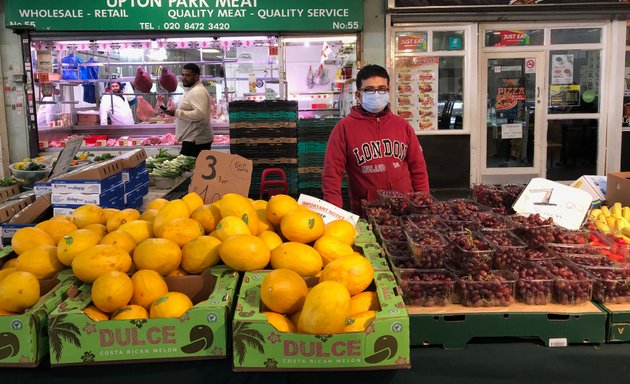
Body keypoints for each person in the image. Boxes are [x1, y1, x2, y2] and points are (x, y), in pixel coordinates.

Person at [322, 64, 430, 215]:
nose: (376, 94)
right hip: (368, 211)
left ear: (388, 90)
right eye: (369, 90)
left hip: (406, 208)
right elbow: (332, 174)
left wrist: (422, 203)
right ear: (358, 95)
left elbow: (418, 168)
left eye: (381, 89)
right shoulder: (343, 128)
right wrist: (334, 213)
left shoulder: (402, 125)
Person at [163, 63, 213, 157]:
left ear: (197, 76)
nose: (184, 78)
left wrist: (176, 112)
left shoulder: (198, 91)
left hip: (196, 140)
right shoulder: (191, 89)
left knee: (191, 169)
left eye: (188, 75)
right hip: (192, 139)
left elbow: (200, 114)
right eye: (183, 75)